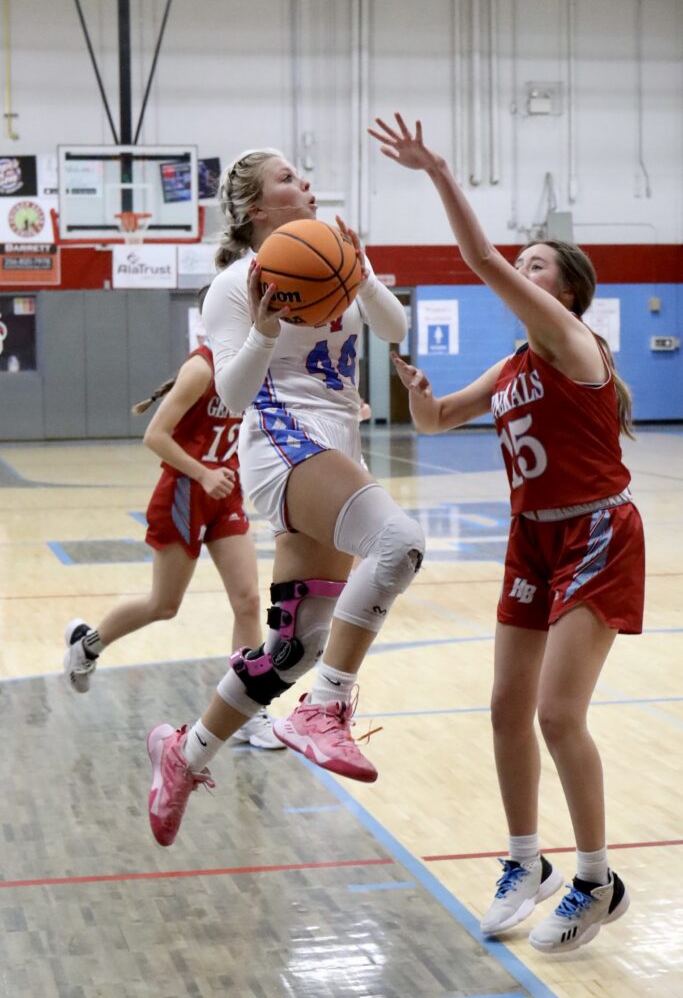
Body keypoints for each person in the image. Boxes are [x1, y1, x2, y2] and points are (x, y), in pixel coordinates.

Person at [369, 114, 644, 954]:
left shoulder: (568, 342)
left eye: (535, 265)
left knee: (559, 716)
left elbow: (481, 259)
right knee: (503, 708)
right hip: (531, 537)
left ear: (560, 292)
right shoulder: (517, 364)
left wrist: (439, 171)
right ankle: (526, 862)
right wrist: (414, 391)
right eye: (521, 262)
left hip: (596, 530)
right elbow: (441, 419)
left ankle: (597, 879)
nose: (517, 270)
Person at [146, 146, 423, 847]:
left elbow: (395, 331)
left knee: (295, 646)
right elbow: (231, 398)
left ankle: (184, 754)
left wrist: (360, 273)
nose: (305, 182)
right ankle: (325, 709)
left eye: (303, 174)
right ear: (255, 209)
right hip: (279, 441)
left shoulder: (333, 256)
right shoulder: (235, 285)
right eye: (286, 178)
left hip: (332, 443)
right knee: (399, 542)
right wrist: (266, 334)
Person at [63, 337, 284, 750]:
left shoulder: (255, 362)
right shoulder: (202, 368)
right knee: (164, 605)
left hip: (224, 494)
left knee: (249, 601)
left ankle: (247, 712)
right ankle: (88, 644)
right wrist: (203, 474)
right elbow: (155, 436)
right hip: (185, 491)